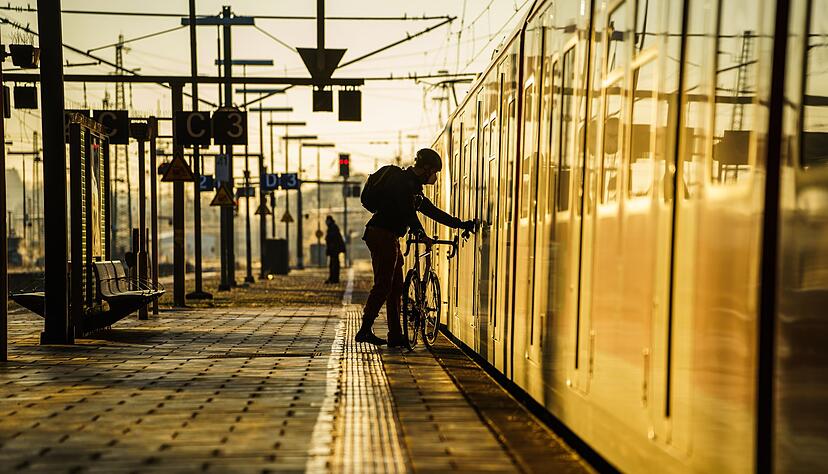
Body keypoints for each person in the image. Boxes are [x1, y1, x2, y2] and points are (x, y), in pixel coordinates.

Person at [357, 148, 475, 347]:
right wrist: (421, 234)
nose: (435, 177)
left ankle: (395, 335)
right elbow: (408, 213)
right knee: (384, 284)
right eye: (435, 172)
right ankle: (365, 329)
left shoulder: (413, 187)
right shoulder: (402, 183)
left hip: (389, 236)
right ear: (426, 168)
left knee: (395, 288)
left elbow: (432, 211)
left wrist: (460, 224)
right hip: (381, 235)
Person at [324, 215, 345, 284]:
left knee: (334, 265)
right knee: (333, 264)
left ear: (329, 221)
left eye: (327, 220)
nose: (326, 222)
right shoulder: (332, 227)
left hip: (334, 250)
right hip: (334, 249)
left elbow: (333, 239)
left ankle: (334, 279)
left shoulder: (333, 228)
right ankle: (332, 278)